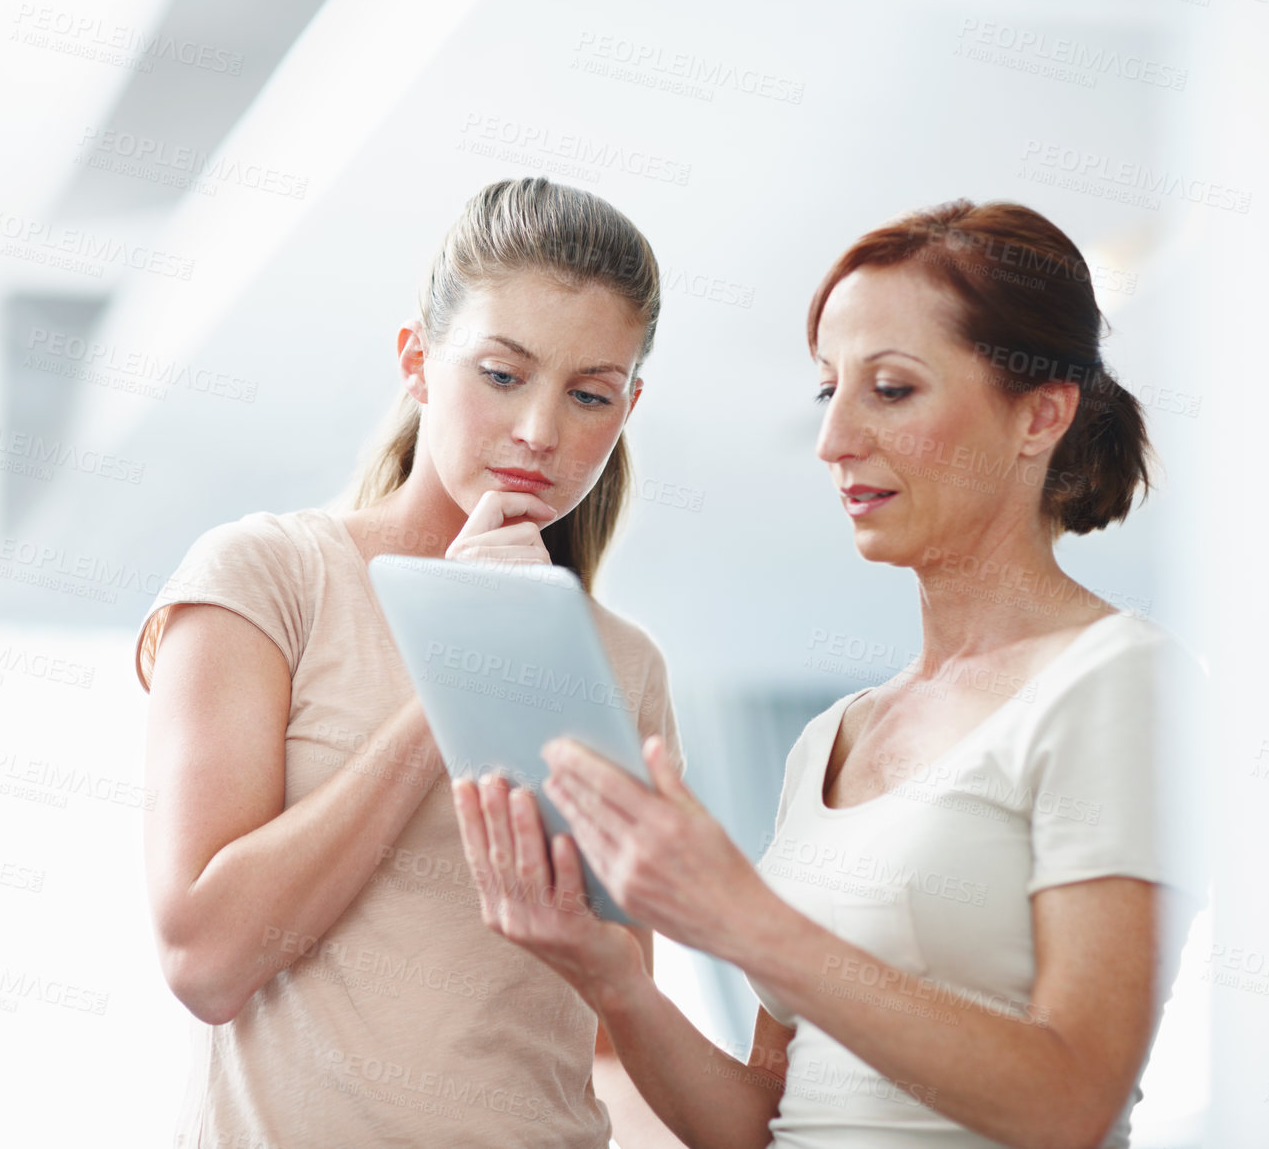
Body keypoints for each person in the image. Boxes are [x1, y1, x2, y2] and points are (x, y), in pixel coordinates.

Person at [454, 199, 1210, 1149]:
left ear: (1041, 415)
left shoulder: (1120, 684)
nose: (833, 439)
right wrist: (611, 978)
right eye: (828, 392)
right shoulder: (832, 740)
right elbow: (762, 1120)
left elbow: (1071, 1103)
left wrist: (742, 920)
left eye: (890, 390)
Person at [133, 177, 684, 1148]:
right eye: (502, 374)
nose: (539, 432)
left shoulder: (624, 664)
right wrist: (465, 656)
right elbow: (206, 959)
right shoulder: (267, 577)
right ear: (417, 361)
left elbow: (609, 1020)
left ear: (628, 404)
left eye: (589, 394)